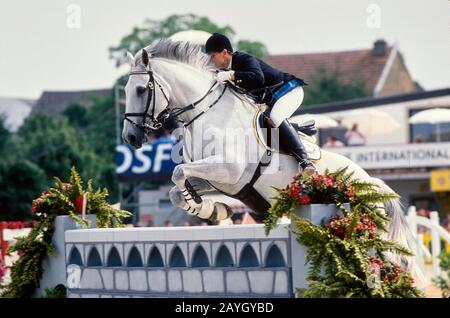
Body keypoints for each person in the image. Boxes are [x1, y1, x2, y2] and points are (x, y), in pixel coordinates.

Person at [205, 33, 316, 175]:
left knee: (275, 117)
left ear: (225, 53)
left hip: (289, 91)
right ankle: (295, 133)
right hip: (271, 99)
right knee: (256, 123)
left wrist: (232, 75)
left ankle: (306, 162)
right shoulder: (223, 70)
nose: (210, 60)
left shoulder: (244, 59)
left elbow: (258, 78)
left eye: (212, 56)